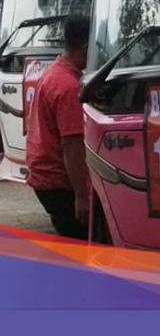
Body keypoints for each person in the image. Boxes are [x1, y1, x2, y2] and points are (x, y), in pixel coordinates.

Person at [25, 15, 91, 240]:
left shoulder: (55, 71)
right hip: (59, 183)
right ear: (85, 49)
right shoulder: (68, 87)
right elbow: (71, 146)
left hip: (45, 178)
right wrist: (82, 196)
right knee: (81, 244)